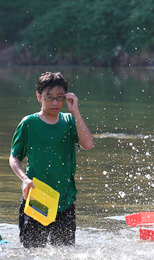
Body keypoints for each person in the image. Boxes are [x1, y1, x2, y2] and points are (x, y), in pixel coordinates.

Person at [9, 71, 94, 248]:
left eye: (60, 97)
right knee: (32, 254)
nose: (55, 103)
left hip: (65, 199)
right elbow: (14, 157)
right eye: (49, 97)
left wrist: (75, 111)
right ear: (39, 97)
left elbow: (87, 144)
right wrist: (25, 179)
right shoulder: (29, 123)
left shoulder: (69, 121)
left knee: (64, 255)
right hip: (36, 197)